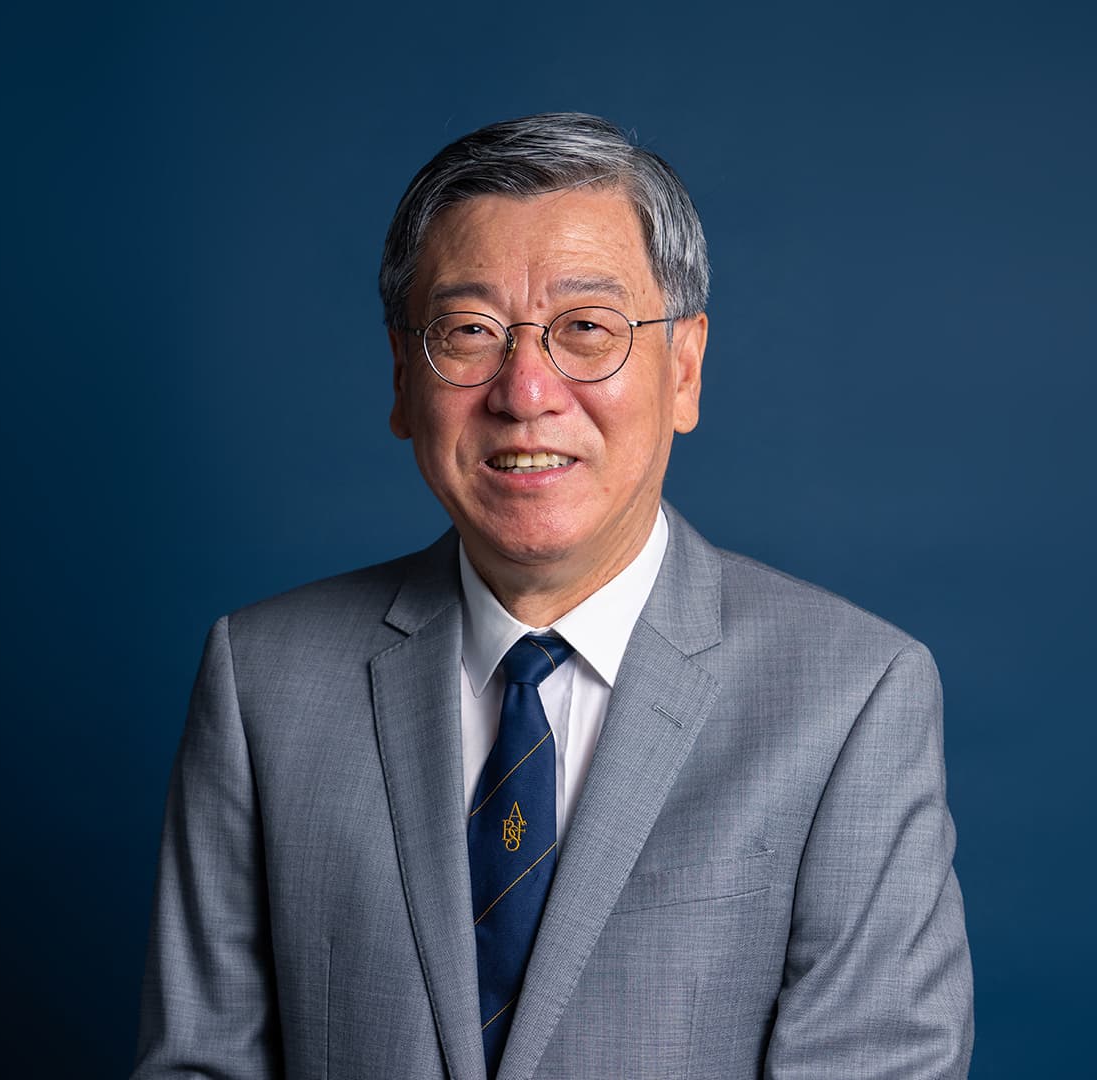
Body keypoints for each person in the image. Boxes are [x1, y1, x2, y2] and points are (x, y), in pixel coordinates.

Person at [131, 112, 974, 1080]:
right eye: (470, 332)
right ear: (403, 376)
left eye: (586, 329)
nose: (525, 389)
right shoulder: (263, 684)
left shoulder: (851, 702)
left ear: (685, 368)